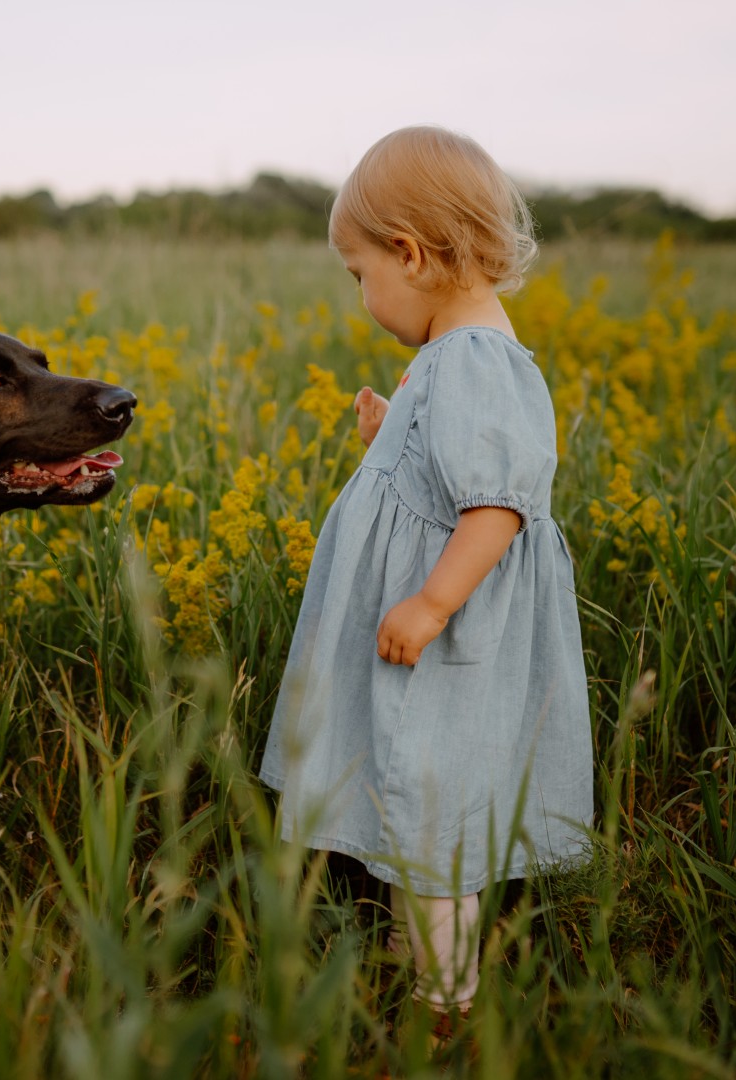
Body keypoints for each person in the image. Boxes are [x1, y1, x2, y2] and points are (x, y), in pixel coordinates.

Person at [258, 126, 593, 1036]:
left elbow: (496, 506)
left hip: (452, 637)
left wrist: (434, 601)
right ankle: (422, 974)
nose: (361, 295)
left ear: (410, 253)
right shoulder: (459, 355)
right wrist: (392, 434)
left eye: (359, 274)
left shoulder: (476, 358)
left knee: (433, 813)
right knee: (417, 802)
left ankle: (444, 1012)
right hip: (436, 633)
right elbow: (452, 476)